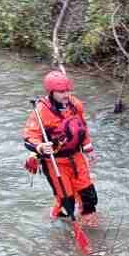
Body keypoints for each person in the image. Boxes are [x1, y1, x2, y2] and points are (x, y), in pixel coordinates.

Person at [23, 69, 97, 220]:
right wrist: (40, 147)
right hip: (55, 161)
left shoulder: (75, 104)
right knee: (67, 200)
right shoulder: (41, 111)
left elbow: (81, 127)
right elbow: (30, 136)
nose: (65, 95)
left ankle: (89, 219)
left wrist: (89, 149)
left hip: (76, 157)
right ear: (51, 92)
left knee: (89, 196)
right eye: (61, 92)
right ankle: (57, 216)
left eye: (67, 90)